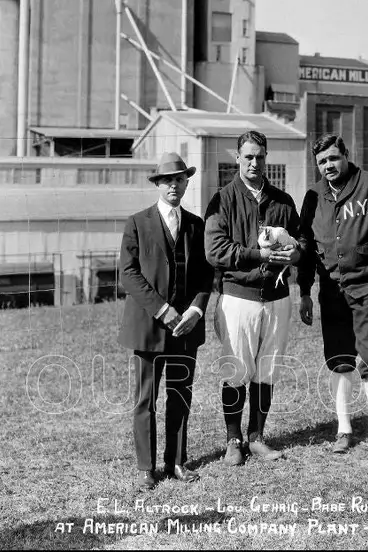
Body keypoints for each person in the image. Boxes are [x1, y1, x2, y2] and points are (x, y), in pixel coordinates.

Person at [297, 134, 368, 456]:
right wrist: (304, 291)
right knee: (338, 361)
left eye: (333, 158)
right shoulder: (313, 195)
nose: (328, 166)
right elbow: (305, 247)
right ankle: (344, 429)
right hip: (331, 291)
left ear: (345, 155)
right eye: (321, 162)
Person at [204, 130, 302, 465]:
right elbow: (215, 251)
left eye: (260, 156)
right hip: (239, 296)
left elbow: (301, 243)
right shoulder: (223, 199)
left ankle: (257, 437)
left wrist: (295, 252)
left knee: (267, 369)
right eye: (248, 157)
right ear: (237, 158)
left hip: (277, 296)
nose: (254, 163)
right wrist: (257, 256)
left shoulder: (283, 201)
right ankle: (233, 440)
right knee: (236, 370)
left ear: (266, 157)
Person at [119, 152, 213, 489]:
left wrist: (195, 310)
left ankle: (176, 461)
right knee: (146, 398)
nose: (173, 185)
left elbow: (206, 276)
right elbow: (128, 275)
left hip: (186, 328)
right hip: (148, 328)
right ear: (158, 184)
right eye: (167, 180)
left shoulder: (197, 225)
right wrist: (162, 309)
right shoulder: (137, 223)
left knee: (180, 395)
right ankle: (147, 467)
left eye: (179, 179)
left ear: (187, 182)